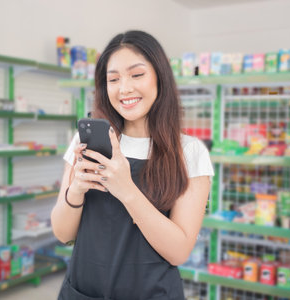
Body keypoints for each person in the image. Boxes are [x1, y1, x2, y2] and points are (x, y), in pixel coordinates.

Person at [51, 30, 214, 300]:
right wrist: (75, 191)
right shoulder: (87, 142)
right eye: (113, 79)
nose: (124, 88)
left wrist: (126, 189)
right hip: (83, 291)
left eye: (137, 75)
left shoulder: (189, 152)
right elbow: (62, 233)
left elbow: (179, 251)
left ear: (159, 77)